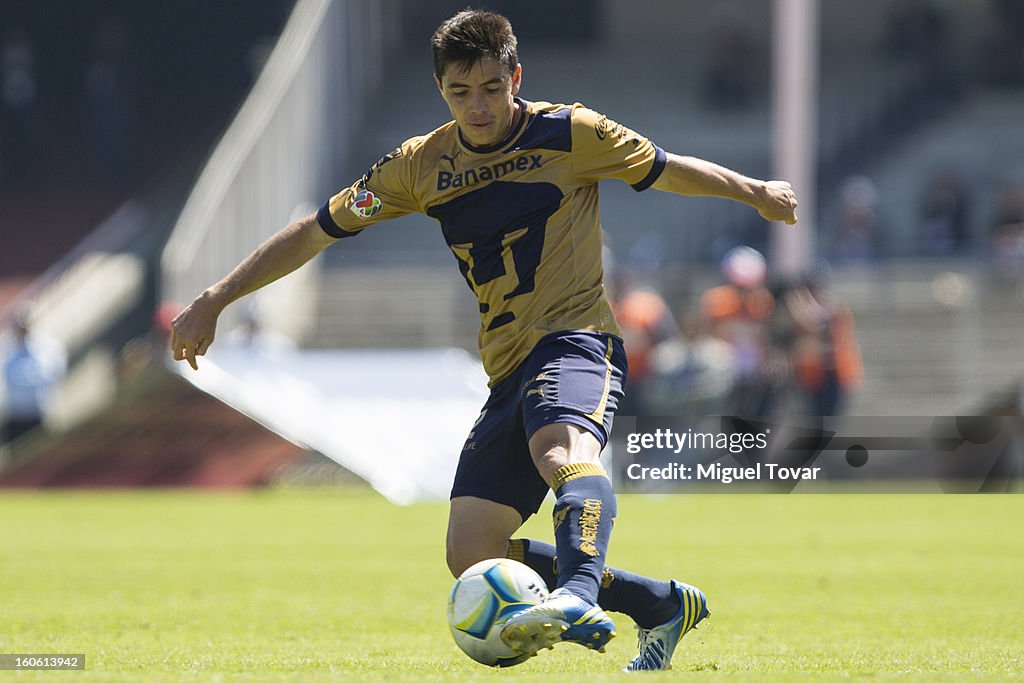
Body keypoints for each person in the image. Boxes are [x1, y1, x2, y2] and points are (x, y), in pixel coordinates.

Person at [169, 10, 798, 671]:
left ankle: (580, 591)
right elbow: (316, 229)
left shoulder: (571, 132)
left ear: (515, 77)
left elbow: (667, 169)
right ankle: (658, 602)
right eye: (460, 92)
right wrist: (216, 297)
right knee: (471, 553)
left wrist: (756, 192)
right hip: (505, 370)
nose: (478, 106)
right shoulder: (418, 166)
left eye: (492, 88)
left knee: (561, 450)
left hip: (576, 340)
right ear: (441, 88)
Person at [1, 314, 66, 445]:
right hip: (16, 413)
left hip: (38, 412)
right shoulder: (7, 348)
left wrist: (27, 378)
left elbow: (54, 371)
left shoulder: (45, 347)